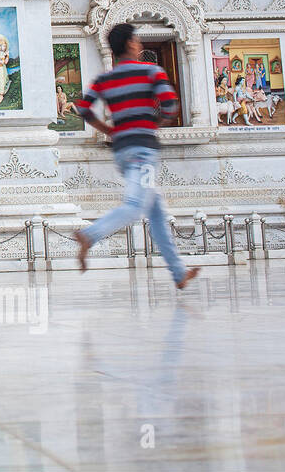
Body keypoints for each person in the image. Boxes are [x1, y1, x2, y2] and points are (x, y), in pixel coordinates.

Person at [73, 23, 200, 290]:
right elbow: (170, 106)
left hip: (122, 150)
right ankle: (89, 235)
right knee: (134, 206)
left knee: (156, 214)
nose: (140, 44)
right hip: (143, 150)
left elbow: (83, 108)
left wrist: (108, 129)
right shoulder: (151, 71)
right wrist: (154, 124)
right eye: (138, 40)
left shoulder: (105, 79)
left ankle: (178, 273)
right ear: (130, 44)